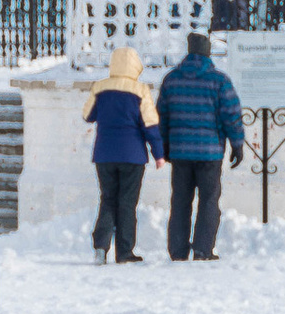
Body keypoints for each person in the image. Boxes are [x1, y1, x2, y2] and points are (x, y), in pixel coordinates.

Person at [156, 26, 246, 263]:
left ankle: (177, 250)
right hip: (210, 153)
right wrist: (237, 144)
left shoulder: (171, 79)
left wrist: (163, 146)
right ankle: (203, 249)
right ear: (208, 53)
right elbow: (231, 114)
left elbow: (162, 116)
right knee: (208, 200)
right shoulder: (219, 81)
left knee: (180, 201)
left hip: (180, 153)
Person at [84, 40, 162, 260]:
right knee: (127, 203)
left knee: (108, 199)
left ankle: (100, 247)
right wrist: (159, 154)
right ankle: (125, 251)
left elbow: (87, 115)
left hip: (104, 155)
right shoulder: (140, 91)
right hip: (133, 156)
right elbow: (150, 125)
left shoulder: (100, 87)